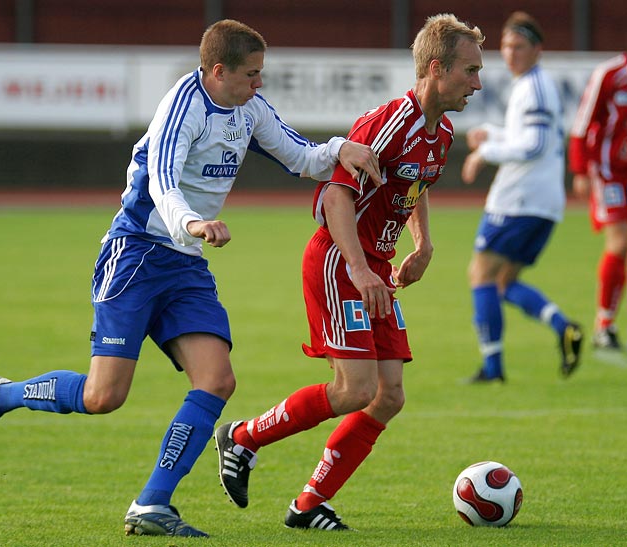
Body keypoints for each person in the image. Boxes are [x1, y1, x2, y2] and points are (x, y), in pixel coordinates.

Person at [0, 19, 382, 539]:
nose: (258, 84)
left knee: (218, 380)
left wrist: (339, 149)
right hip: (135, 255)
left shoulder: (249, 108)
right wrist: (192, 223)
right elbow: (164, 181)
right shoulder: (182, 107)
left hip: (185, 264)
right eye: (251, 75)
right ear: (218, 71)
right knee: (103, 396)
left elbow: (299, 156)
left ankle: (152, 504)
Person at [214, 13, 484, 531]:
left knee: (389, 396)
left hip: (374, 267)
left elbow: (414, 186)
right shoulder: (388, 123)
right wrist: (360, 268)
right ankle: (242, 437)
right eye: (469, 71)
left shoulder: (442, 131)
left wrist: (423, 244)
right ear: (436, 68)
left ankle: (308, 503)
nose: (477, 83)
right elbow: (336, 195)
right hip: (340, 262)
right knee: (356, 389)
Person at [460, 11, 583, 383]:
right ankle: (563, 327)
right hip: (542, 203)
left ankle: (493, 369)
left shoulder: (534, 87)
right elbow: (528, 136)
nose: (511, 53)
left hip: (519, 199)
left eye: (519, 46)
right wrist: (493, 133)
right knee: (504, 283)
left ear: (537, 50)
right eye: (507, 46)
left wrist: (485, 153)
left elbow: (536, 144)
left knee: (480, 274)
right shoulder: (533, 85)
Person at [568, 52, 627, 351]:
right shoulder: (611, 73)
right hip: (610, 170)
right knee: (619, 242)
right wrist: (580, 169)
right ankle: (604, 324)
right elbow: (583, 123)